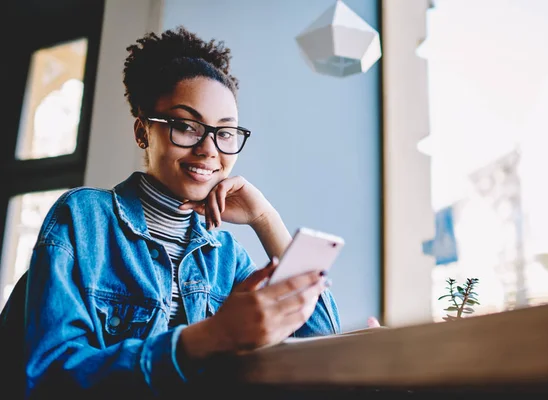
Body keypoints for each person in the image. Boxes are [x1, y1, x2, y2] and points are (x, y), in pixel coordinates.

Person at [13, 25, 362, 399]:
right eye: (186, 126)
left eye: (225, 133)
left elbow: (321, 343)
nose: (209, 149)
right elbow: (49, 376)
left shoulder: (226, 257)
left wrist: (265, 219)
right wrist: (210, 337)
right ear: (143, 131)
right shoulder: (85, 218)